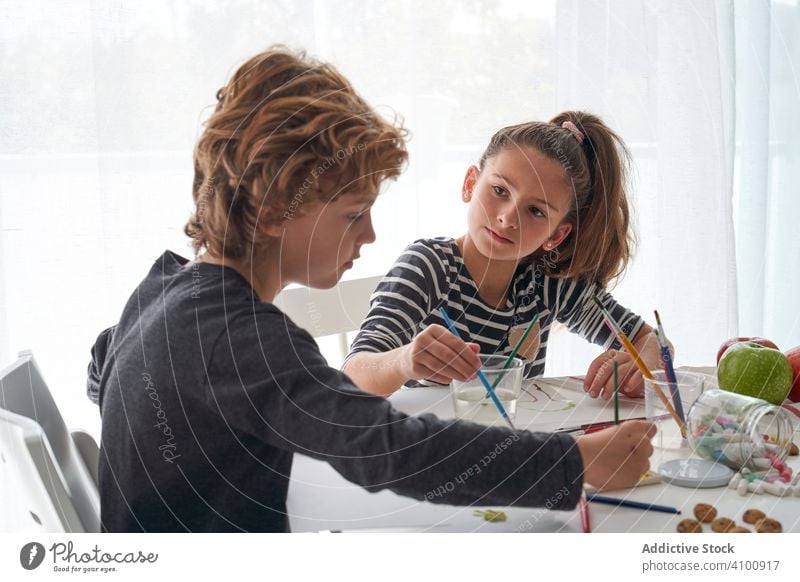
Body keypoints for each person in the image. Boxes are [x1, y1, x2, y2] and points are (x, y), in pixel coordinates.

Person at [86, 47, 655, 532]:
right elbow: (394, 450)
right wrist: (575, 462)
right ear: (282, 206)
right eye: (355, 213)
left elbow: (102, 365)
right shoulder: (246, 342)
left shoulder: (164, 291)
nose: (371, 233)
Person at [343, 113, 667, 399]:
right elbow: (352, 377)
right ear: (471, 183)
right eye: (499, 191)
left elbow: (650, 341)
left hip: (514, 455)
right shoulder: (428, 267)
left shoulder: (546, 283)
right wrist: (404, 361)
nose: (508, 218)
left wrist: (639, 362)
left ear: (556, 235)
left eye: (536, 211)